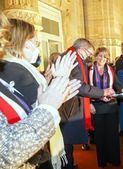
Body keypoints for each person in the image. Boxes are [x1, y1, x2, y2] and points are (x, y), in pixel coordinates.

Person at [0, 13, 80, 169]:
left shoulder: (16, 67)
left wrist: (52, 87)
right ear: (22, 42)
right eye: (34, 42)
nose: (36, 47)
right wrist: (58, 82)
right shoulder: (15, 69)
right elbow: (6, 152)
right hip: (28, 154)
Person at [59, 38, 114, 169]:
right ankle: (68, 166)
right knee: (66, 144)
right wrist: (102, 92)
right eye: (89, 53)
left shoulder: (73, 57)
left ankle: (70, 164)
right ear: (81, 49)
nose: (90, 57)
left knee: (67, 144)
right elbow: (80, 87)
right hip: (69, 108)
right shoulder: (74, 60)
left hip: (69, 106)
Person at [89, 47, 122, 167]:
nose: (102, 58)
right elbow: (85, 89)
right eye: (100, 55)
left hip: (111, 106)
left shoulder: (111, 69)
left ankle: (114, 159)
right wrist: (89, 104)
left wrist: (117, 91)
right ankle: (102, 162)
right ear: (96, 56)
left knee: (112, 135)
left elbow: (118, 86)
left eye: (105, 56)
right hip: (96, 107)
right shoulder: (89, 70)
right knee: (100, 137)